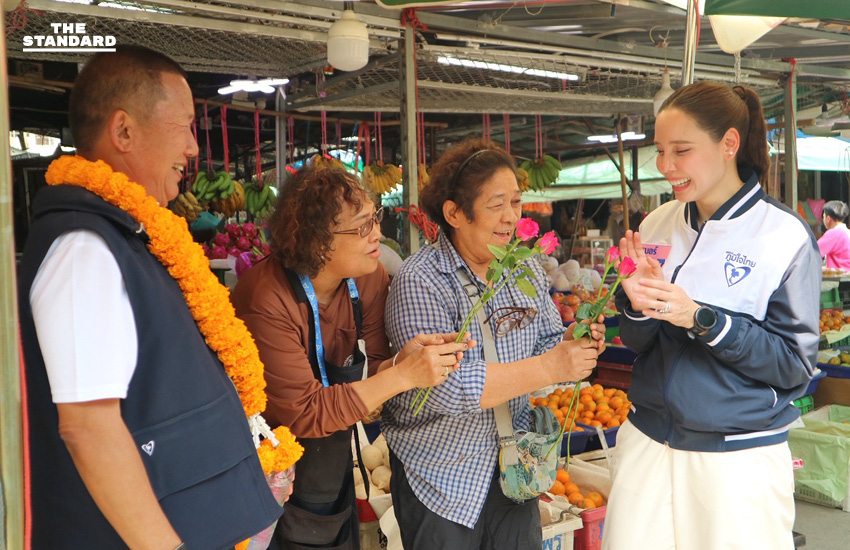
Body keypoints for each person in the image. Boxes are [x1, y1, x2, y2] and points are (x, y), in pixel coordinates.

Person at [17, 46, 282, 549]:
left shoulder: (129, 235)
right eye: (183, 126)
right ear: (123, 132)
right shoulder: (84, 247)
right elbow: (88, 428)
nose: (192, 148)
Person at [603, 82, 820, 550]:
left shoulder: (783, 236)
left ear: (728, 144)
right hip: (648, 442)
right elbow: (640, 343)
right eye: (660, 150)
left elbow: (793, 366)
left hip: (735, 460)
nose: (665, 166)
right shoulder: (657, 223)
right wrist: (636, 305)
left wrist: (702, 318)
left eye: (682, 150)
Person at [230, 165, 472, 550]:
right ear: (318, 240)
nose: (378, 233)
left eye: (374, 217)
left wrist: (398, 362)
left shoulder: (368, 276)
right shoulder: (267, 298)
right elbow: (306, 411)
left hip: (329, 465)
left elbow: (373, 366)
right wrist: (403, 375)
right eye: (362, 226)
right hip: (263, 470)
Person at [382, 137, 605, 550]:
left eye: (516, 203)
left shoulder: (523, 269)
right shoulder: (421, 280)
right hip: (441, 479)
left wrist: (580, 342)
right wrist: (553, 366)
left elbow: (548, 341)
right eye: (496, 204)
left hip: (515, 471)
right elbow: (444, 387)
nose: (511, 218)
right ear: (454, 213)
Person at [818, 200, 850, 271]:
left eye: (823, 216)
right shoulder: (847, 232)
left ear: (828, 218)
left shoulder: (834, 234)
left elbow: (814, 251)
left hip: (841, 278)